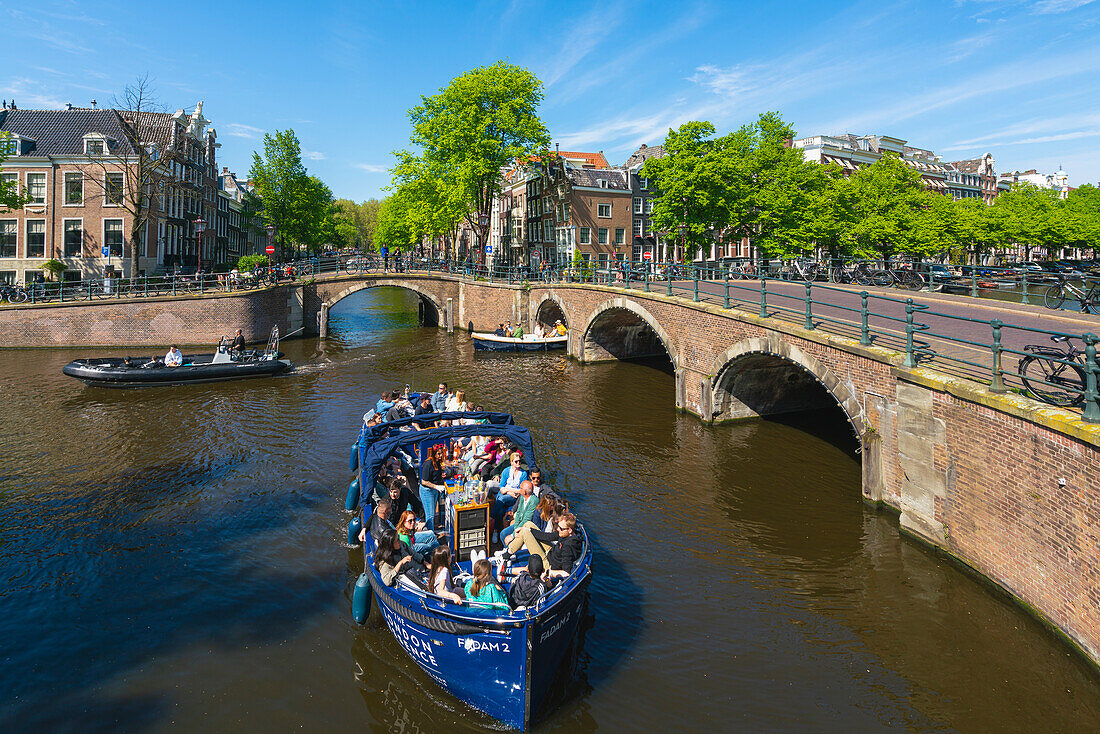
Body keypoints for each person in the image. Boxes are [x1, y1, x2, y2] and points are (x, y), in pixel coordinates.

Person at [491, 453, 528, 533]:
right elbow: (501, 487)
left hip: (514, 497)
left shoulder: (523, 474)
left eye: (519, 461)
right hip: (507, 493)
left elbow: (520, 491)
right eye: (516, 461)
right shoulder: (506, 471)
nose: (518, 463)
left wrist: (507, 490)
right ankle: (496, 529)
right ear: (511, 462)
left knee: (501, 499)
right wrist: (509, 491)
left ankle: (491, 518)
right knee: (500, 505)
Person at [546, 513, 583, 579]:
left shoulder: (568, 547)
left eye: (560, 528)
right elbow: (547, 536)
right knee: (528, 525)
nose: (557, 529)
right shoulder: (564, 534)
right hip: (550, 554)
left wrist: (547, 572)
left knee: (525, 533)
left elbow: (566, 572)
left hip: (548, 563)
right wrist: (530, 530)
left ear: (569, 530)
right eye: (558, 526)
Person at [501, 480, 538, 547]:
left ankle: (511, 552)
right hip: (519, 525)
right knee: (503, 534)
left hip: (527, 527)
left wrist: (513, 535)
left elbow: (526, 520)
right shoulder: (522, 497)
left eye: (520, 488)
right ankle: (508, 551)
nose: (519, 490)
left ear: (524, 492)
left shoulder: (533, 501)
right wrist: (515, 530)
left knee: (509, 538)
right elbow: (518, 513)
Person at [419, 444, 447, 531]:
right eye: (439, 454)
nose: (441, 455)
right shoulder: (428, 463)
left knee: (433, 513)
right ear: (434, 454)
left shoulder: (438, 462)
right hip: (427, 491)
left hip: (434, 490)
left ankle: (432, 531)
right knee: (430, 515)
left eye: (441, 453)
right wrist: (436, 486)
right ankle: (430, 534)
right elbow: (424, 481)